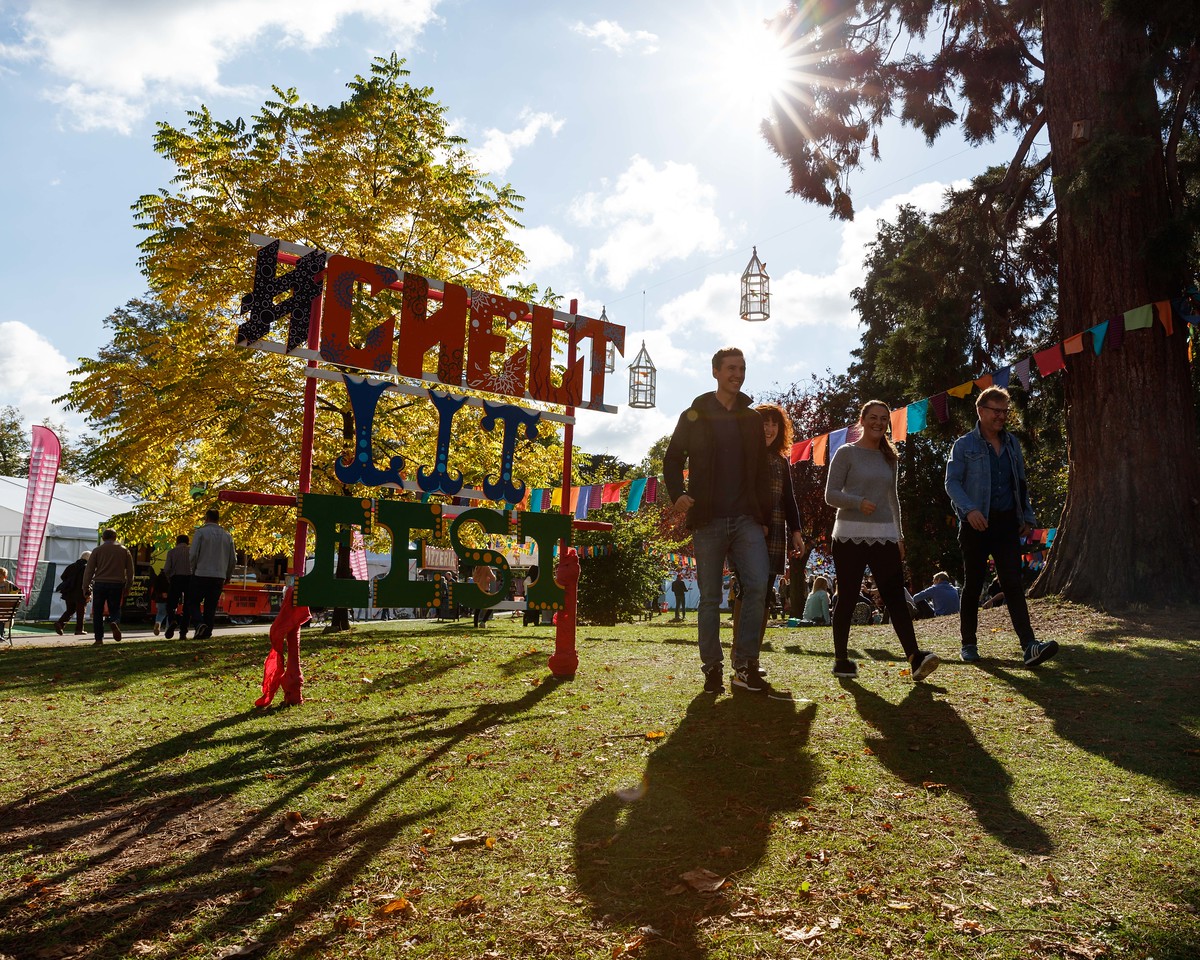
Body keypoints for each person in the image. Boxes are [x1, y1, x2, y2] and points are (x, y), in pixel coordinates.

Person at [664, 346, 773, 695]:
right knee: (710, 598)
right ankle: (712, 667)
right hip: (707, 518)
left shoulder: (752, 419)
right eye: (730, 368)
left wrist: (764, 517)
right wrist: (676, 494)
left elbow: (760, 472)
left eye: (742, 368)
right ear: (715, 372)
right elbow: (671, 458)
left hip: (746, 518)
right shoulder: (695, 414)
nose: (737, 374)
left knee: (758, 586)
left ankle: (745, 665)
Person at [825, 400, 939, 681]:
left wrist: (898, 535)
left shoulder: (890, 457)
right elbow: (830, 495)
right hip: (848, 536)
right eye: (873, 417)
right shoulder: (845, 452)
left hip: (884, 536)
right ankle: (841, 660)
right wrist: (857, 502)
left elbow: (893, 500)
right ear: (861, 420)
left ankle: (915, 658)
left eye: (884, 419)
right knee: (848, 597)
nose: (878, 423)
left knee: (896, 598)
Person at [946, 386, 1058, 667]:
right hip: (975, 523)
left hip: (1007, 523)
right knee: (973, 584)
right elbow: (952, 483)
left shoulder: (1012, 445)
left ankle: (1029, 646)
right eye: (996, 411)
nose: (1002, 417)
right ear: (980, 411)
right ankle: (968, 643)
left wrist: (1027, 516)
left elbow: (1020, 483)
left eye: (1005, 411)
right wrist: (969, 510)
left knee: (1013, 584)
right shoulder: (964, 445)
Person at [734, 403, 806, 654]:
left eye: (775, 424)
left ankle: (752, 653)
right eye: (765, 422)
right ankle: (738, 650)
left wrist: (796, 531)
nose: (770, 428)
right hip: (748, 527)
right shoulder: (743, 455)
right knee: (747, 588)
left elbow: (789, 498)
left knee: (765, 592)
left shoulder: (781, 460)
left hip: (776, 530)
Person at [188, 509, 235, 640]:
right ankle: (207, 632)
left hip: (201, 573)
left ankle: (199, 623)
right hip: (219, 575)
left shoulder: (201, 533)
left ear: (206, 518)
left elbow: (193, 554)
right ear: (218, 519)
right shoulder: (227, 536)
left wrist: (193, 569)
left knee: (193, 601)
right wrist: (228, 574)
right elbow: (233, 559)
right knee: (211, 605)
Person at [82, 530, 135, 646]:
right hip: (117, 584)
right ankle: (114, 621)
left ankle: (98, 639)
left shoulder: (97, 550)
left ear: (103, 538)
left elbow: (89, 570)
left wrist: (85, 587)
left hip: (100, 583)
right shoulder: (124, 550)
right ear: (116, 537)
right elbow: (130, 571)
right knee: (115, 608)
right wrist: (128, 586)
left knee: (98, 612)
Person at [53, 551, 91, 636]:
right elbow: (88, 581)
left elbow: (63, 577)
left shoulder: (71, 566)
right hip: (81, 593)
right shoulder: (87, 567)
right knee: (81, 612)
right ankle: (79, 630)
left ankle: (60, 623)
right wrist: (88, 593)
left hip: (69, 592)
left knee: (70, 610)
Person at [162, 534, 191, 639]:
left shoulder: (172, 552)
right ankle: (183, 632)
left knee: (170, 605)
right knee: (188, 607)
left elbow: (166, 569)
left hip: (176, 579)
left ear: (177, 541)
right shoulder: (192, 552)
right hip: (189, 579)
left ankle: (172, 620)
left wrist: (170, 579)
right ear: (188, 542)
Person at [150, 566, 170, 635]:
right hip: (170, 597)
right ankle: (168, 630)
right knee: (170, 614)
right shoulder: (172, 576)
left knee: (160, 613)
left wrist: (160, 594)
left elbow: (155, 588)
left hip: (160, 598)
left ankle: (158, 623)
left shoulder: (159, 577)